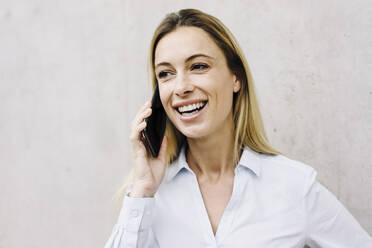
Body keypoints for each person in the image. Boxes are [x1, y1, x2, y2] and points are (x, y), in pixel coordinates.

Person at [104, 8, 372, 248]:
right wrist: (142, 189)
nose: (181, 87)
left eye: (198, 66)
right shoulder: (149, 197)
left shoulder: (293, 185)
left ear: (236, 78)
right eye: (166, 73)